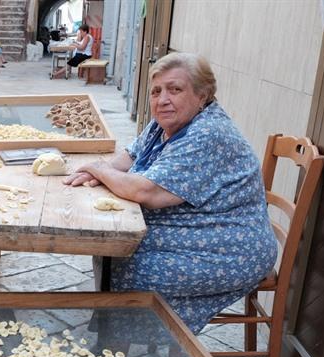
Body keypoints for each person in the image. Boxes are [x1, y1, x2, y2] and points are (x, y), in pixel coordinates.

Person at [63, 52, 277, 334]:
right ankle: (117, 334)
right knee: (111, 245)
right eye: (156, 91)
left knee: (129, 262)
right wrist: (98, 171)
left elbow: (147, 192)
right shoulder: (166, 122)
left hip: (231, 246)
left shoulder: (209, 134)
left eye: (175, 89)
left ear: (202, 95)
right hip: (196, 228)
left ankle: (124, 347)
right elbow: (130, 156)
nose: (163, 99)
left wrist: (98, 169)